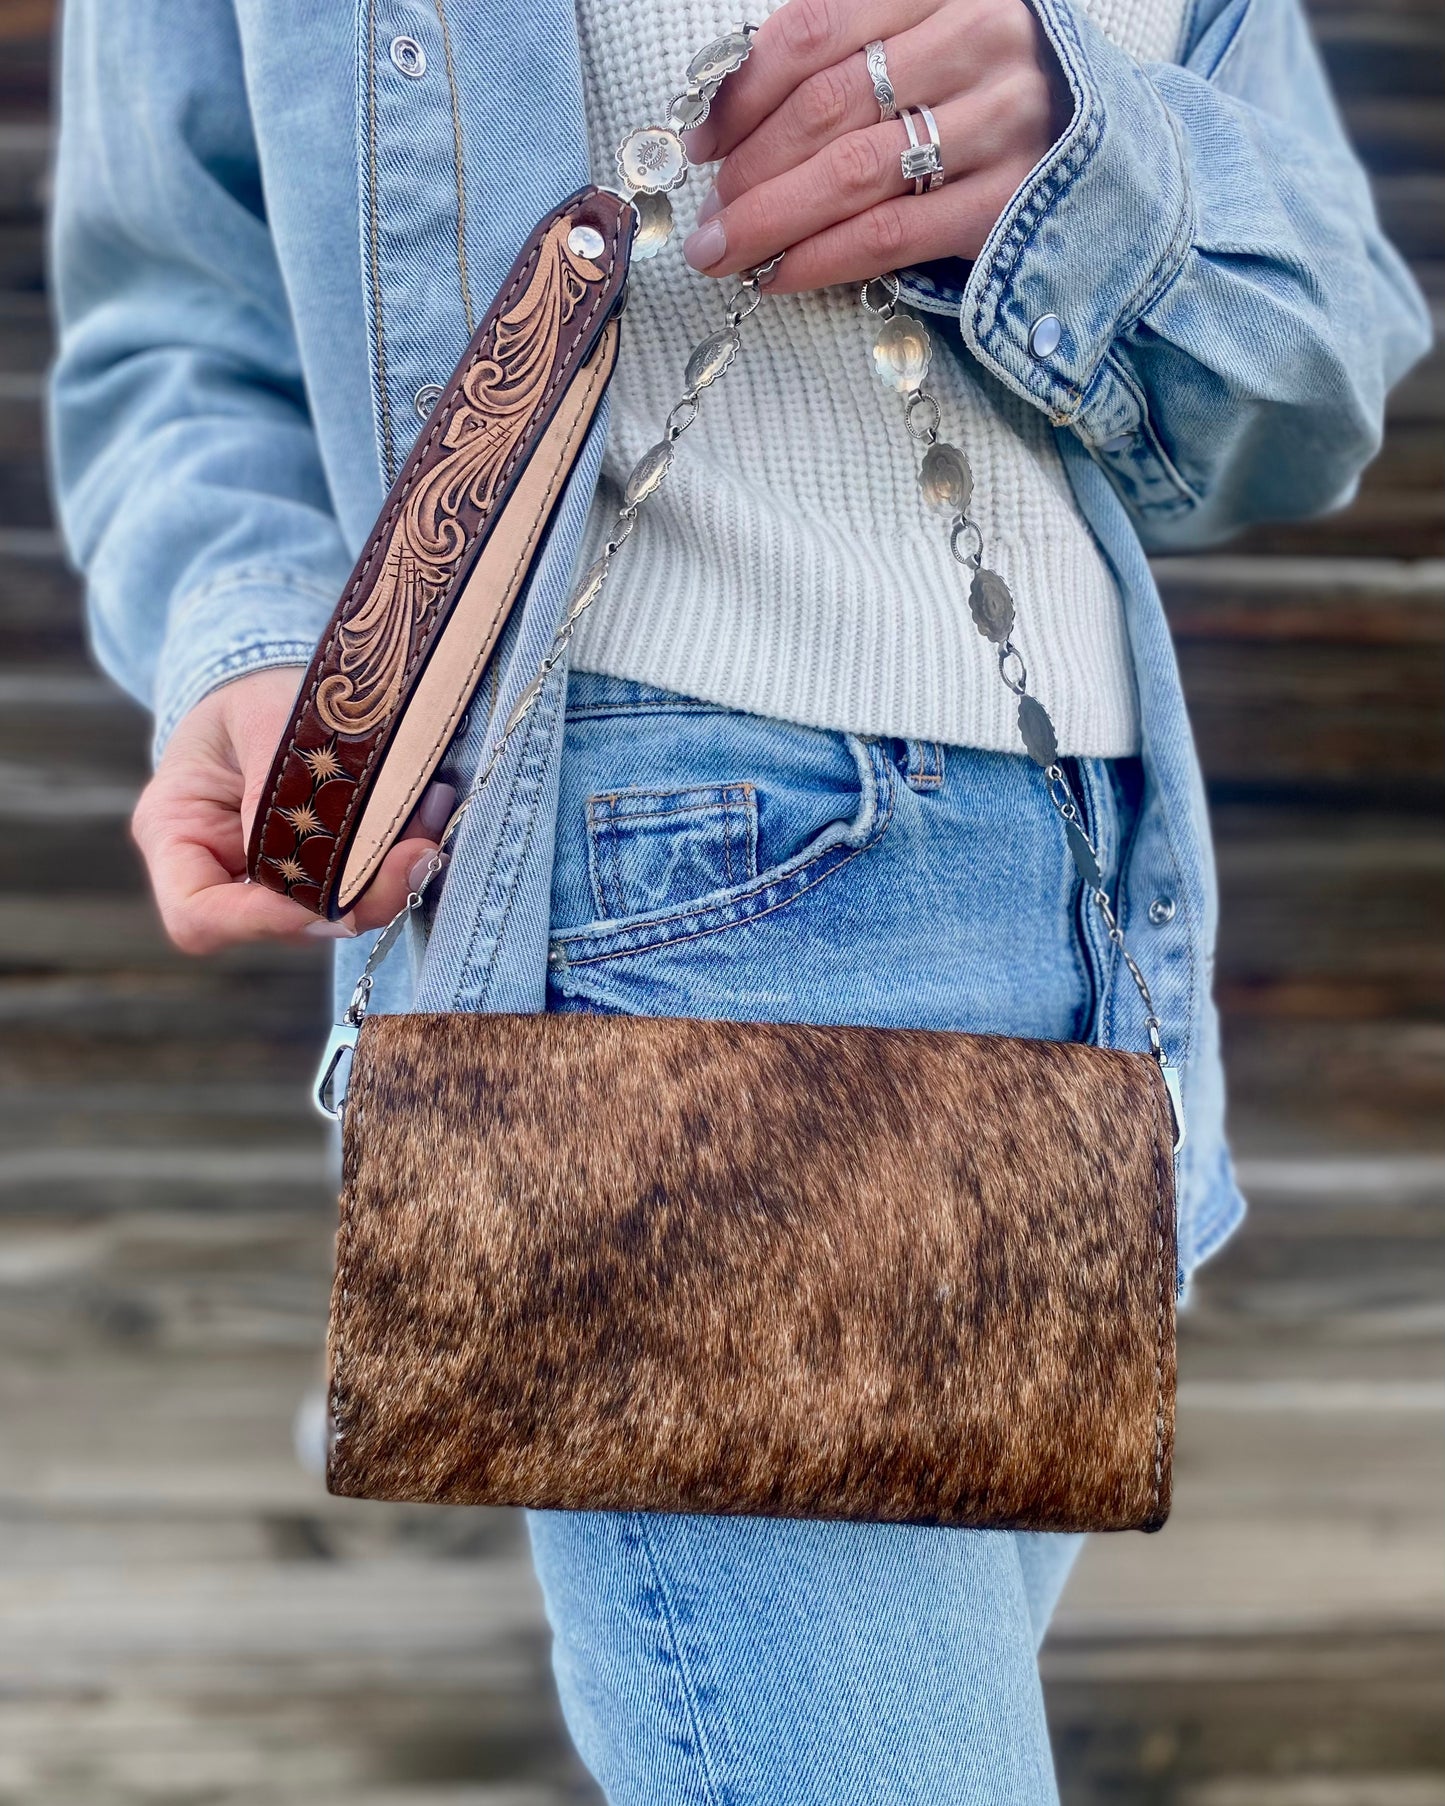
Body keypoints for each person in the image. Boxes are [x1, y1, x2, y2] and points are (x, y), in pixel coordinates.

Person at [49, 0, 1428, 1798]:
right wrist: (254, 637)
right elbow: (176, 308)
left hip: (1090, 923)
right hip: (676, 913)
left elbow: (1310, 378)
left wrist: (1083, 157)